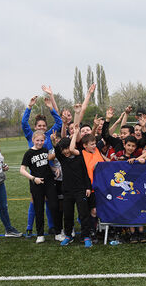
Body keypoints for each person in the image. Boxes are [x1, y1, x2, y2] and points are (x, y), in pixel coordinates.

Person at [21, 92, 62, 237]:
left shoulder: (49, 134)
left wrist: (51, 108)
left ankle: (52, 227)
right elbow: (24, 123)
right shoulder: (30, 135)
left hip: (50, 172)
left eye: (44, 125)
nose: (42, 128)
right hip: (36, 173)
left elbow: (59, 123)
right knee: (35, 201)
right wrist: (29, 107)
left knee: (50, 201)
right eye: (39, 125)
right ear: (35, 126)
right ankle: (29, 227)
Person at [19, 131, 61, 244]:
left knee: (54, 206)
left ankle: (58, 233)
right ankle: (40, 234)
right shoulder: (28, 153)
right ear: (33, 140)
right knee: (39, 209)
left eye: (42, 140)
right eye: (37, 140)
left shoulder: (45, 150)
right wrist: (33, 178)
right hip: (36, 184)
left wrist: (54, 169)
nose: (39, 142)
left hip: (49, 182)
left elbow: (45, 164)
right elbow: (22, 170)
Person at [55, 129, 93, 248]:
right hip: (67, 191)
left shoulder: (79, 155)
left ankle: (86, 236)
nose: (66, 151)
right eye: (63, 149)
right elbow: (57, 152)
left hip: (80, 190)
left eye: (67, 148)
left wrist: (88, 187)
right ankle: (68, 235)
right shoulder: (63, 159)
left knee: (83, 214)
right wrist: (55, 142)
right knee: (68, 214)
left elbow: (85, 173)